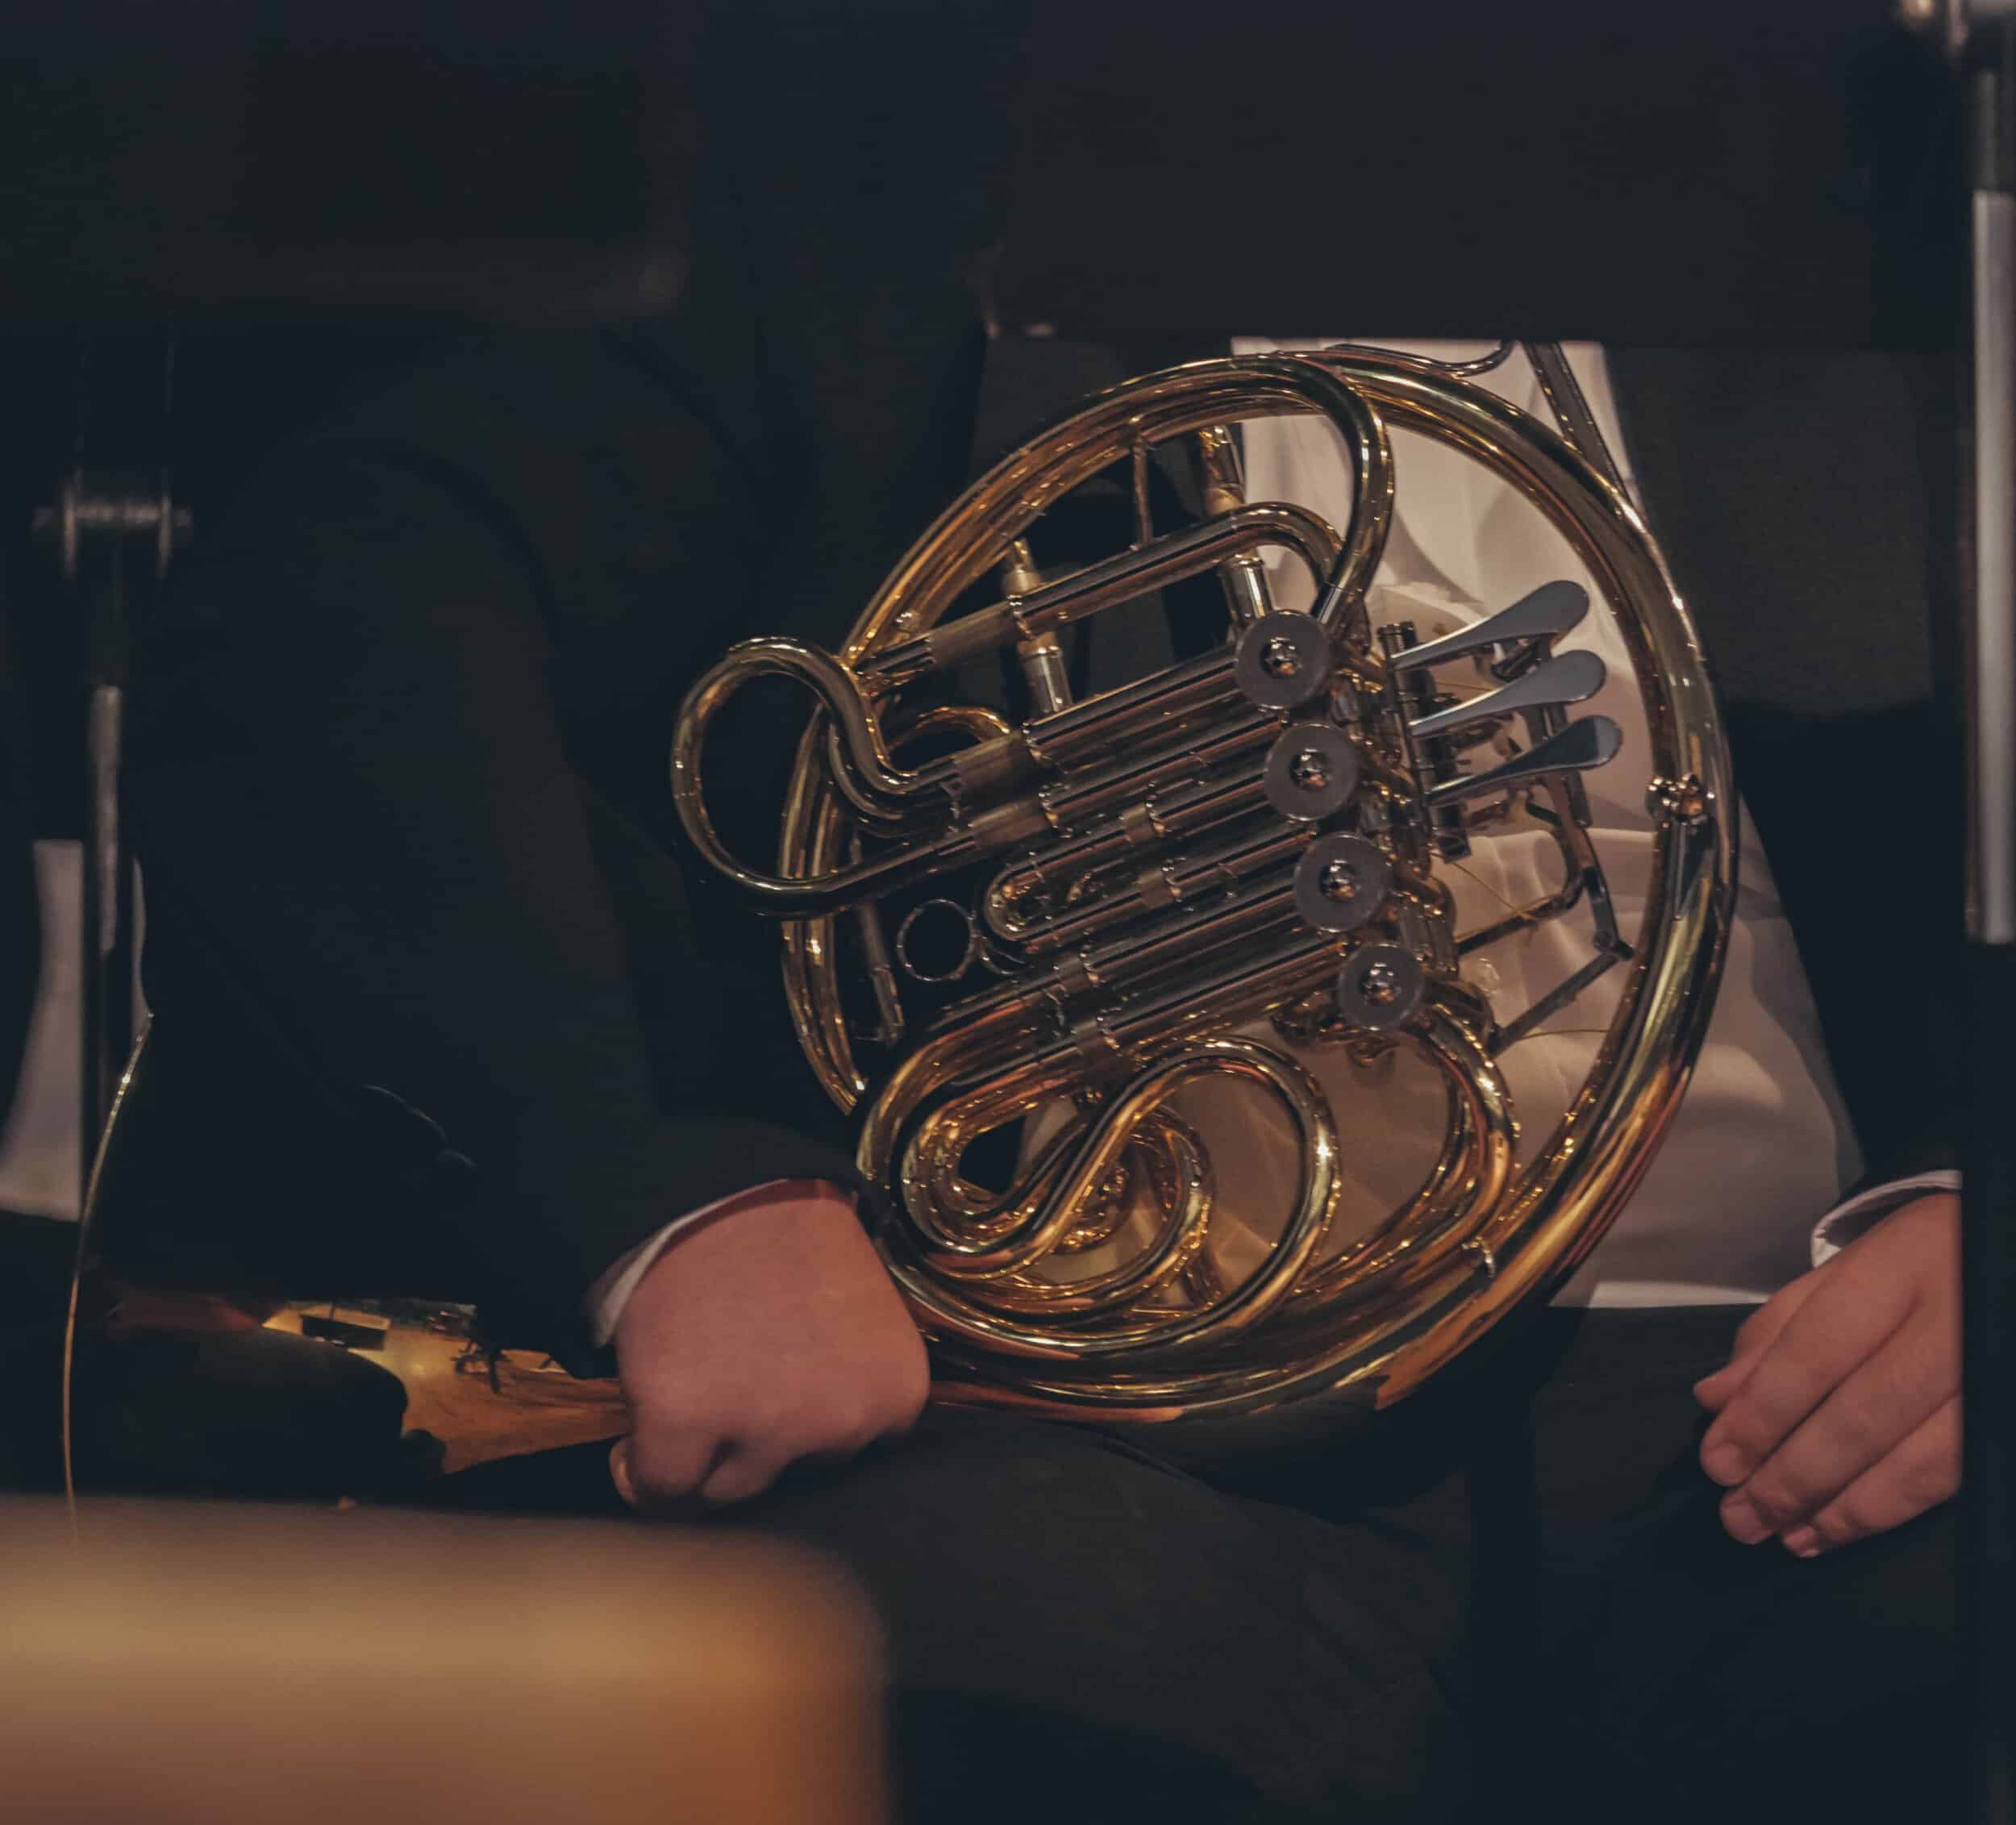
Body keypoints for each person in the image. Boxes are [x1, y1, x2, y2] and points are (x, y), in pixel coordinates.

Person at [103, 19, 1964, 1825]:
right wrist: (657, 1205)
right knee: (967, 1680)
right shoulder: (865, 161)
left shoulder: (1897, 185)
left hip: (1813, 1349)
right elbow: (332, 630)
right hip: (1073, 1426)